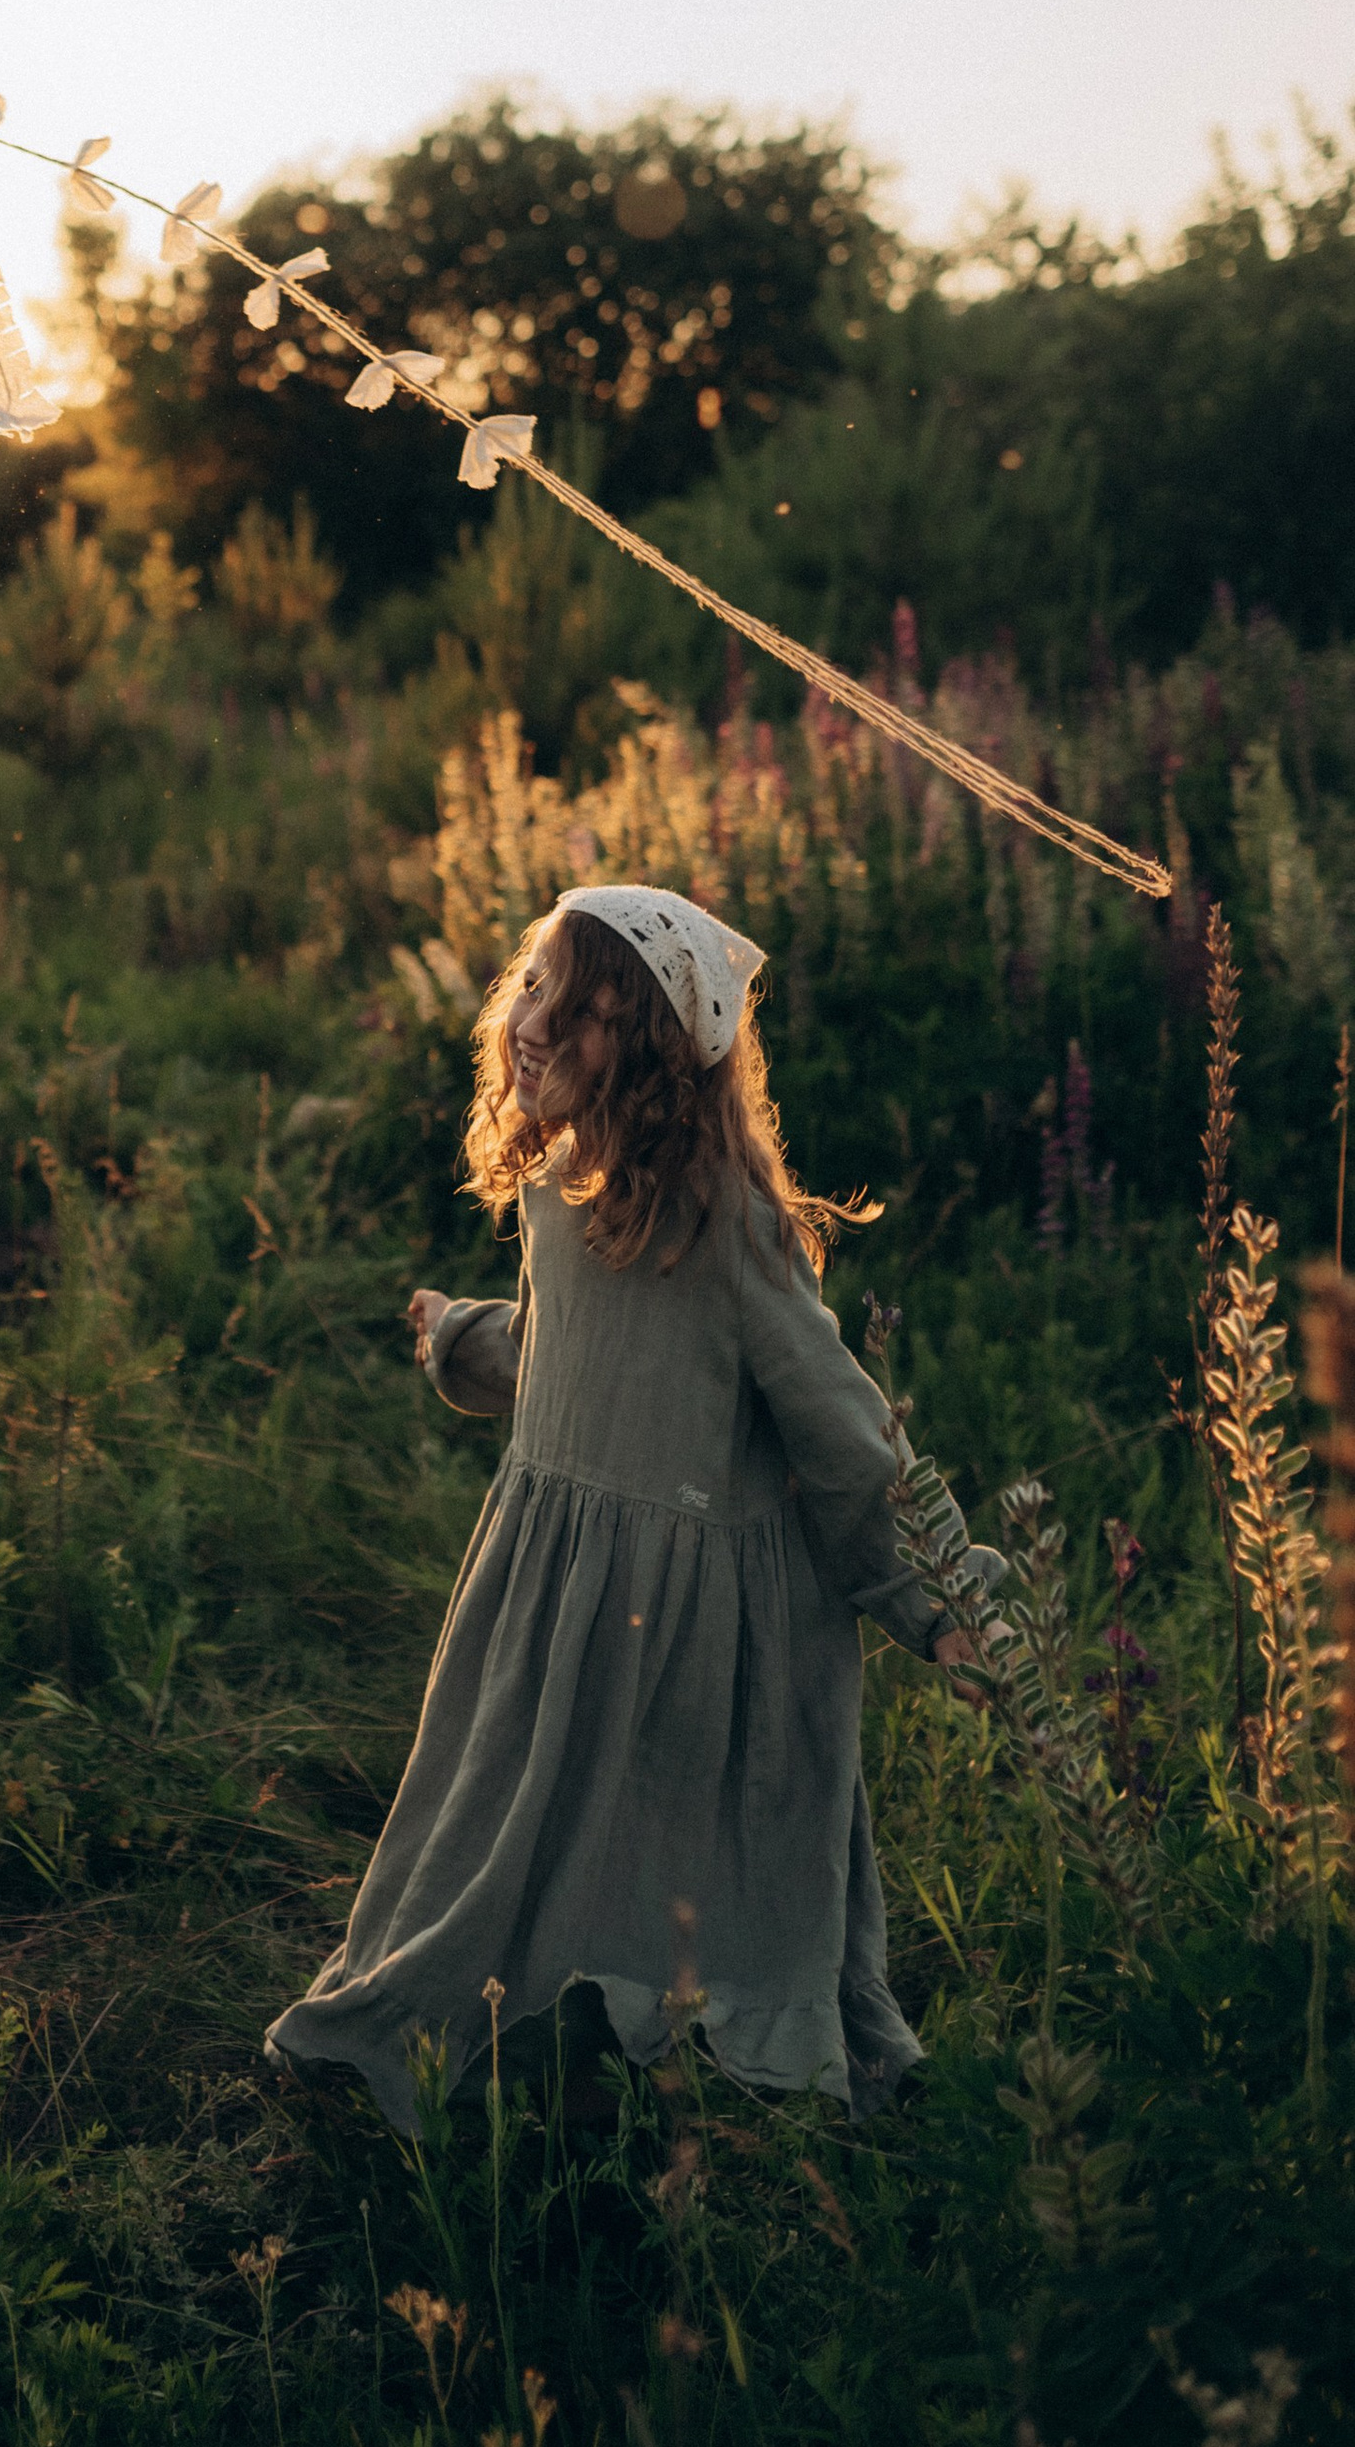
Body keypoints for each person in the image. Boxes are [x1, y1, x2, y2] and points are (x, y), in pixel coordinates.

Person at [266, 883, 991, 2133]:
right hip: (561, 1582)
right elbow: (559, 1352)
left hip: (699, 1602)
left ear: (657, 1062)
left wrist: (943, 1603)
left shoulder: (726, 1228)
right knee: (524, 1808)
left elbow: (841, 1428)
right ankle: (509, 2022)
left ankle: (675, 2054)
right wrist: (455, 1339)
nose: (543, 1024)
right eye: (541, 987)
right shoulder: (559, 1190)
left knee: (675, 1833)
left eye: (596, 1013)